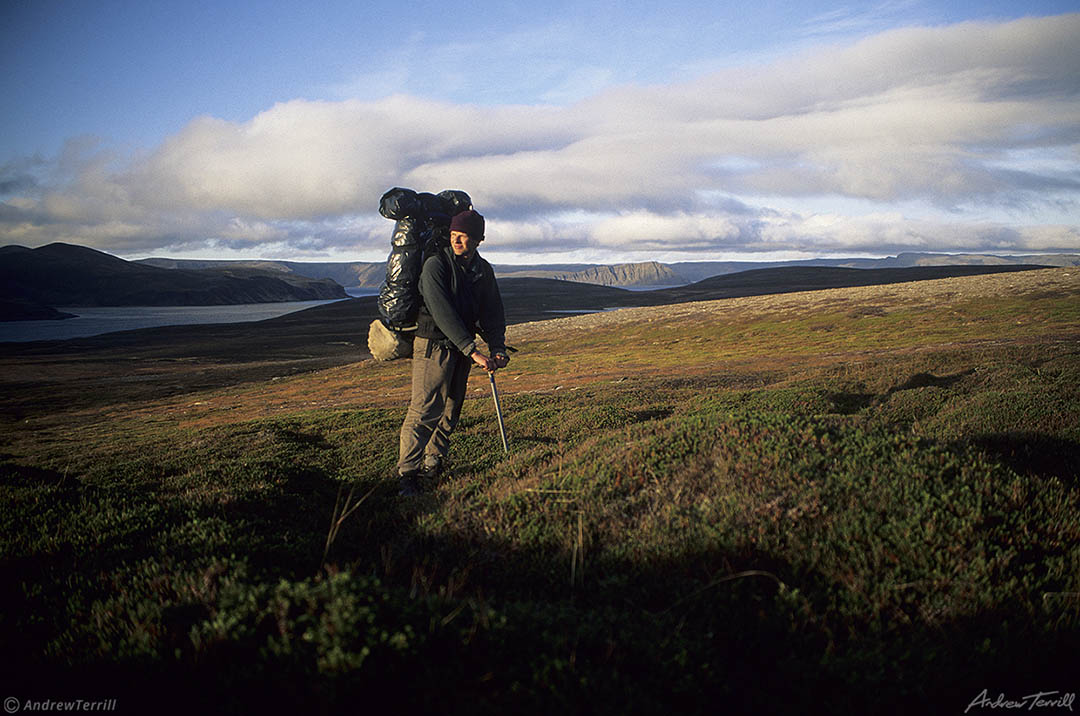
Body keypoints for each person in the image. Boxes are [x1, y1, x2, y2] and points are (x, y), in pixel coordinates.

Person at [397, 208, 509, 496]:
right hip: (434, 344)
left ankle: (432, 464)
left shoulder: (482, 270)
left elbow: (492, 311)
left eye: (464, 236)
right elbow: (442, 312)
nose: (457, 241)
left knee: (450, 411)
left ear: (478, 240)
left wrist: (497, 347)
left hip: (461, 349)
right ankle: (407, 476)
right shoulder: (436, 265)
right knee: (424, 410)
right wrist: (472, 350)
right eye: (454, 235)